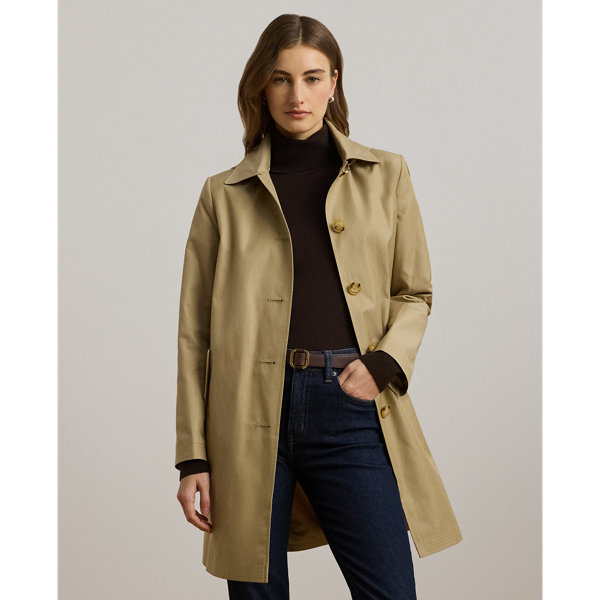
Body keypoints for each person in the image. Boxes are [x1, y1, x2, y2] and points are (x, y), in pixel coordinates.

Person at [175, 13, 462, 600]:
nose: (297, 95)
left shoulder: (386, 174)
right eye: (281, 79)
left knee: (389, 590)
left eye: (312, 77)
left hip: (349, 404)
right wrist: (192, 459)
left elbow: (414, 292)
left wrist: (383, 363)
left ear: (334, 82)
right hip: (246, 413)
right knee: (257, 592)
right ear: (261, 87)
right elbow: (194, 335)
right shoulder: (222, 194)